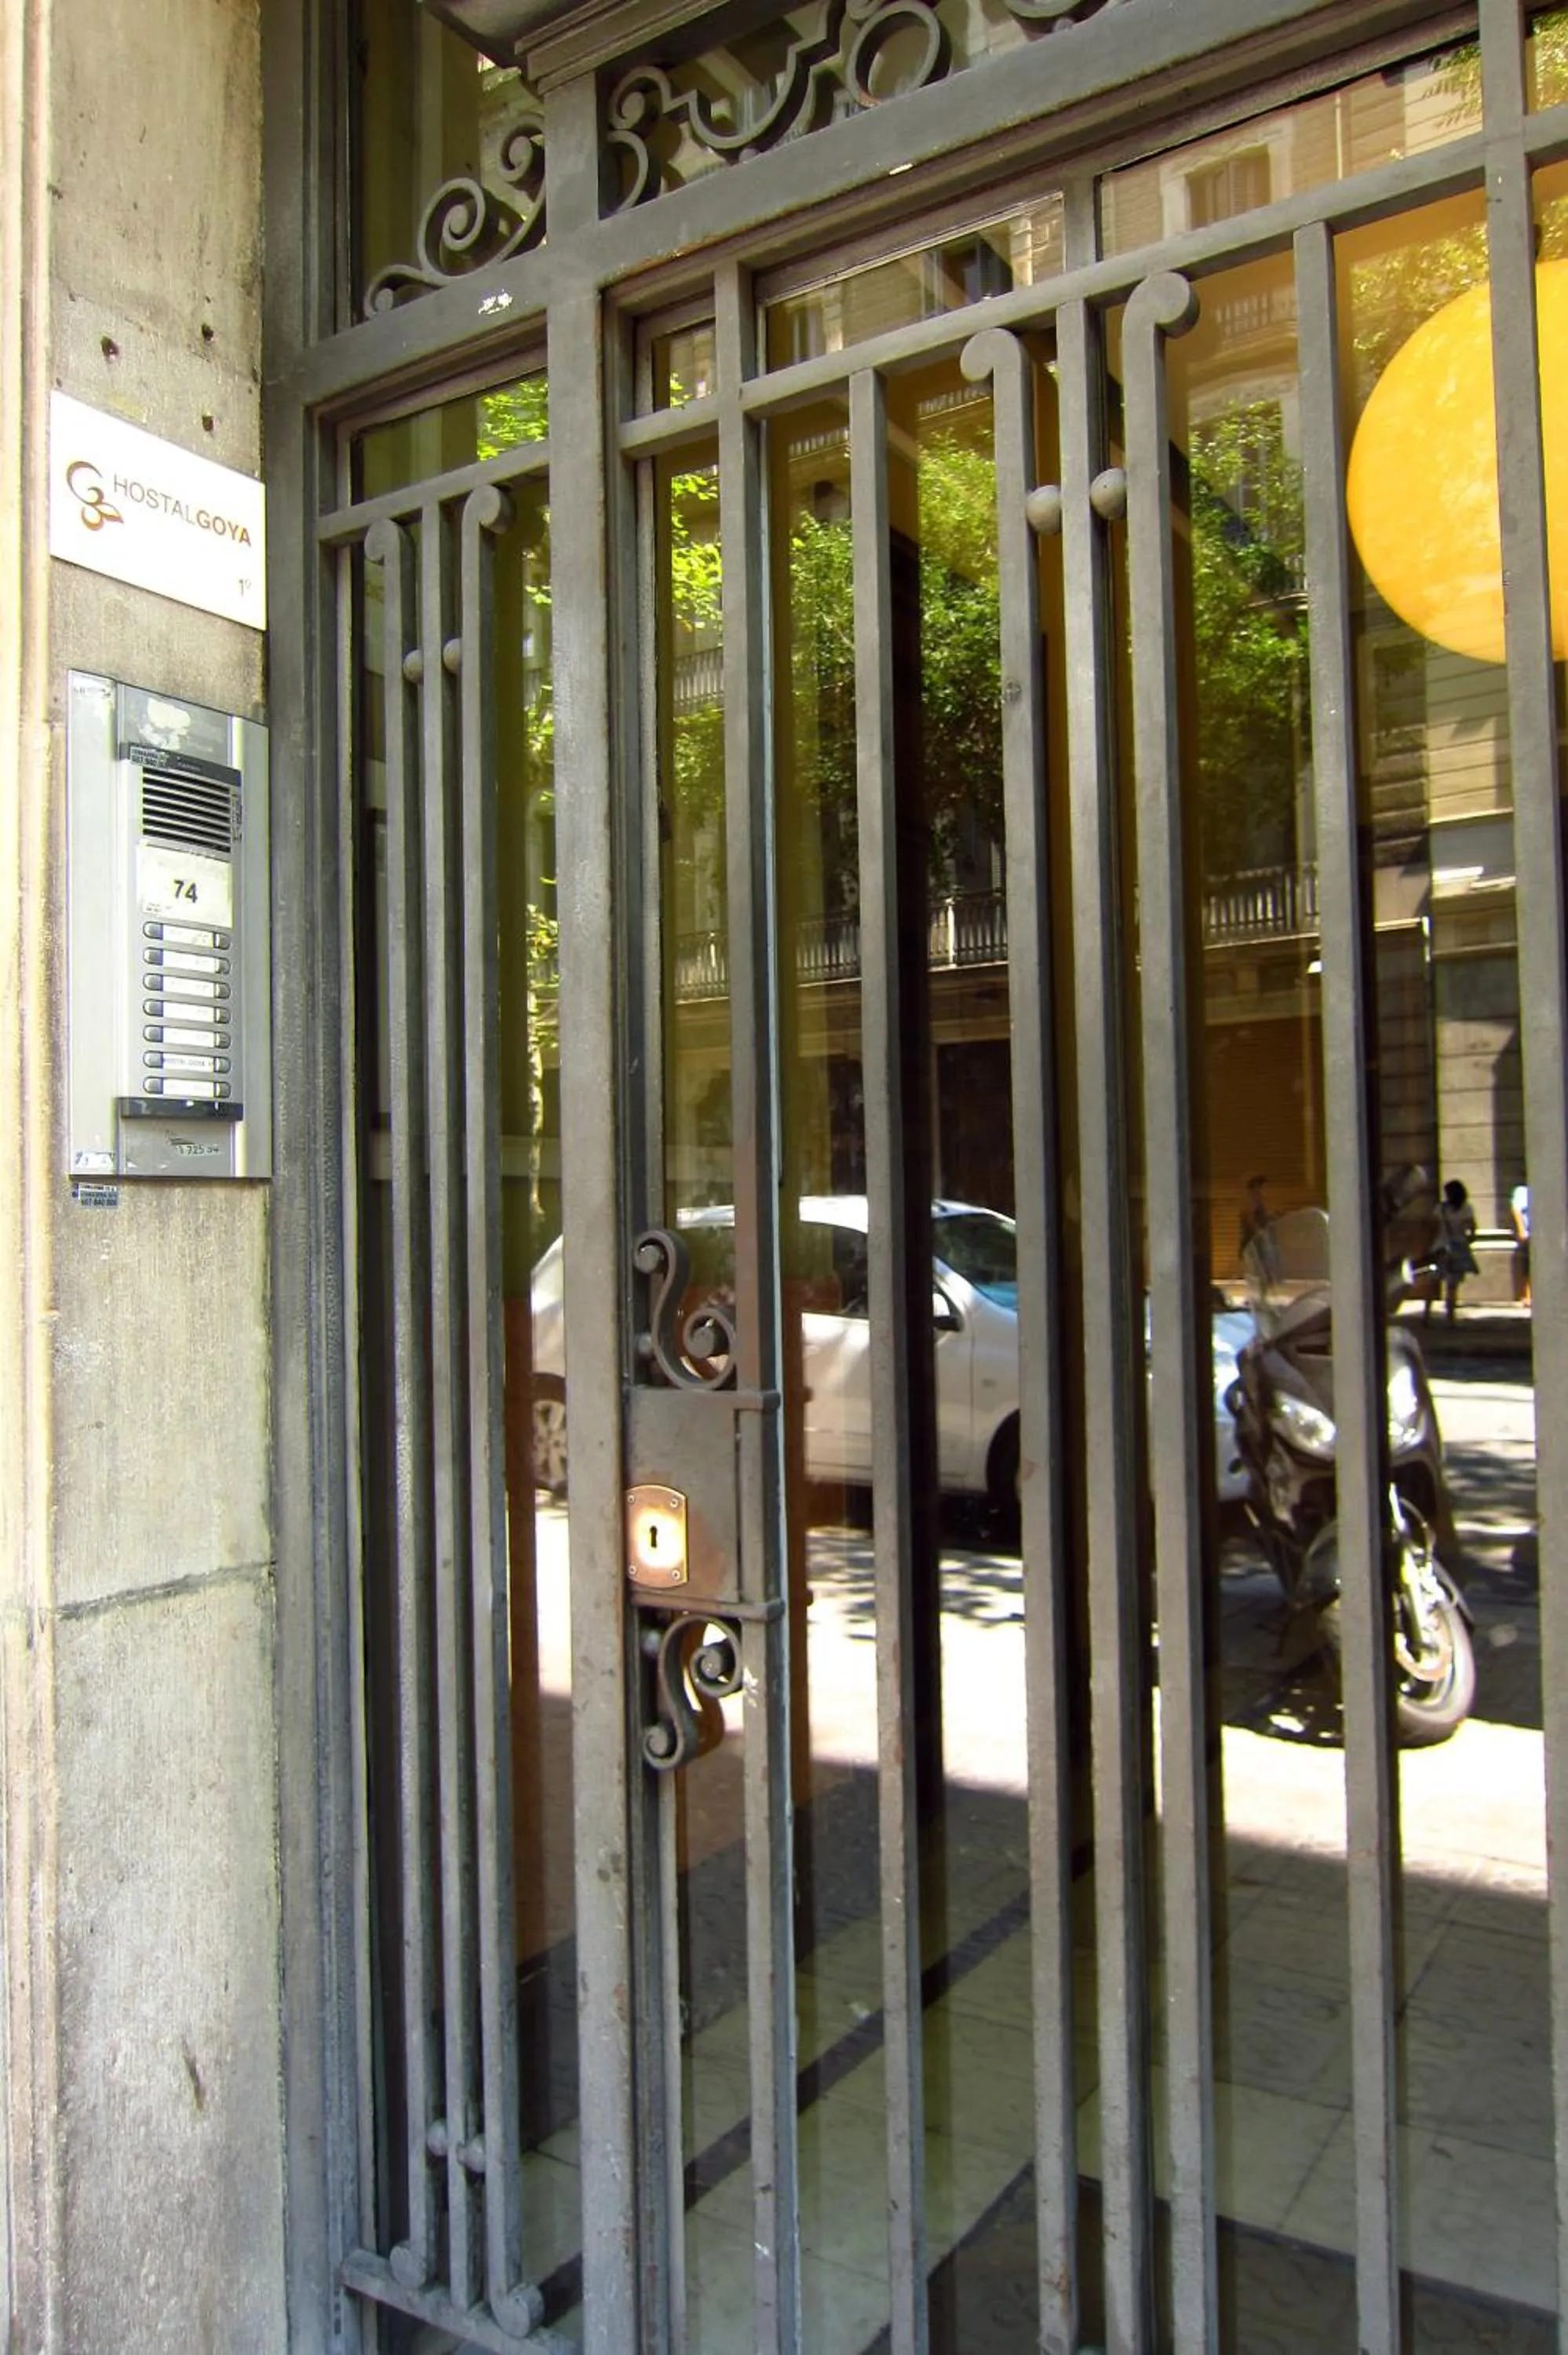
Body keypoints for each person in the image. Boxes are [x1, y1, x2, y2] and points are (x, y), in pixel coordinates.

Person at [1428, 1178, 1478, 1323]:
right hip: (1459, 1248)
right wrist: (1467, 1240)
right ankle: (1450, 1318)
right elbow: (1472, 1229)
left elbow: (1432, 1227)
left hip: (1440, 1248)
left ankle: (1426, 1315)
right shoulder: (1467, 1209)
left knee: (1434, 1281)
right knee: (1452, 1286)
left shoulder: (1440, 1209)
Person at [1511, 1180, 1531, 1308]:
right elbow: (1516, 1209)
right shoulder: (1522, 1191)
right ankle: (1527, 1296)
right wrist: (1521, 1230)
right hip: (1529, 1234)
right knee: (1528, 1265)